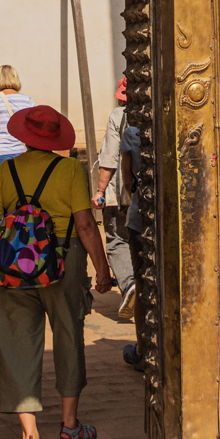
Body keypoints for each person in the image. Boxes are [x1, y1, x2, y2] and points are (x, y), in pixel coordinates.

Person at [0, 103, 113, 439]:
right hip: (64, 262)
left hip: (15, 268)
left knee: (17, 343)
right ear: (55, 139)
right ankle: (69, 427)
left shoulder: (8, 170)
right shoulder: (70, 170)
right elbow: (85, 224)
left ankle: (29, 436)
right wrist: (102, 268)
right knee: (69, 336)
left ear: (25, 136)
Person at [95, 76, 136, 320]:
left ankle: (130, 284)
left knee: (117, 240)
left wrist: (100, 191)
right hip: (147, 194)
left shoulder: (118, 116)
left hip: (122, 193)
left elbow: (109, 158)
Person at [120, 115, 145, 369]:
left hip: (140, 216)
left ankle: (142, 347)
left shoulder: (131, 134)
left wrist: (136, 199)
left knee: (142, 282)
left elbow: (127, 180)